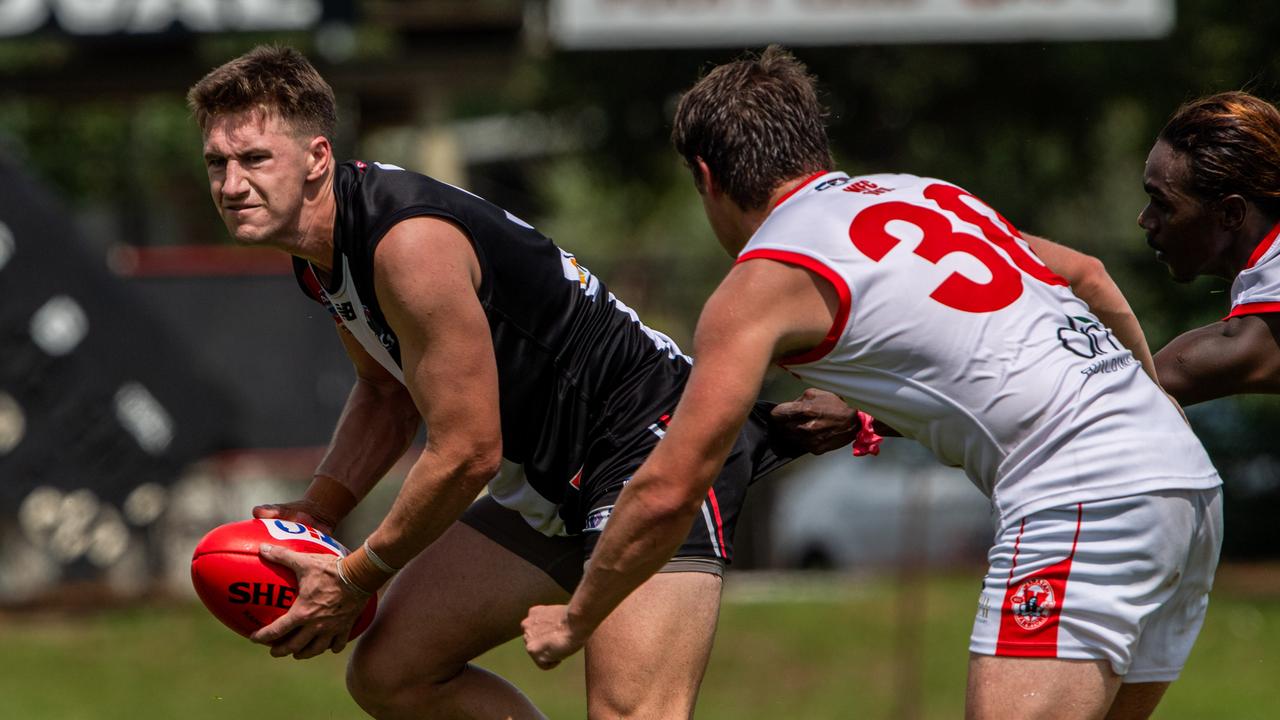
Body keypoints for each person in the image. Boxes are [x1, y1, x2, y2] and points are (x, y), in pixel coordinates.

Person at [522, 46, 1224, 720]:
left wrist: (576, 616)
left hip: (1082, 495)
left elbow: (673, 485)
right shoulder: (929, 194)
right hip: (1186, 487)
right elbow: (1090, 276)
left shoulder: (761, 281)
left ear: (707, 177)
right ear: (812, 148)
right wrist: (1157, 405)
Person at [187, 45, 860, 719]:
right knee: (393, 674)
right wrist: (320, 513)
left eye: (254, 159)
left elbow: (467, 452)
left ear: (316, 159)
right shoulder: (321, 257)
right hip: (552, 478)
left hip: (647, 446)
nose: (232, 184)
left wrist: (356, 575)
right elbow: (386, 393)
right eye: (218, 162)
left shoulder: (406, 246)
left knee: (632, 713)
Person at [1139, 90, 1280, 405]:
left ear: (1231, 214)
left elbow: (1123, 398)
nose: (1144, 219)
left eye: (1162, 203)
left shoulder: (1262, 332)